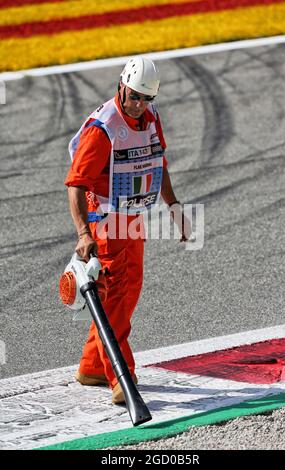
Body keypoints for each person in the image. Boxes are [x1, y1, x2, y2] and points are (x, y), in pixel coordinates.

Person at [65, 56, 191, 404]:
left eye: (146, 99)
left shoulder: (150, 118)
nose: (138, 105)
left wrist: (175, 207)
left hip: (132, 217)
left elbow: (158, 161)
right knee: (120, 291)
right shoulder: (102, 128)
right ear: (121, 86)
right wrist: (83, 234)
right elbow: (76, 184)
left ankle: (92, 365)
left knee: (124, 290)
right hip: (104, 219)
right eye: (133, 96)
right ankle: (122, 375)